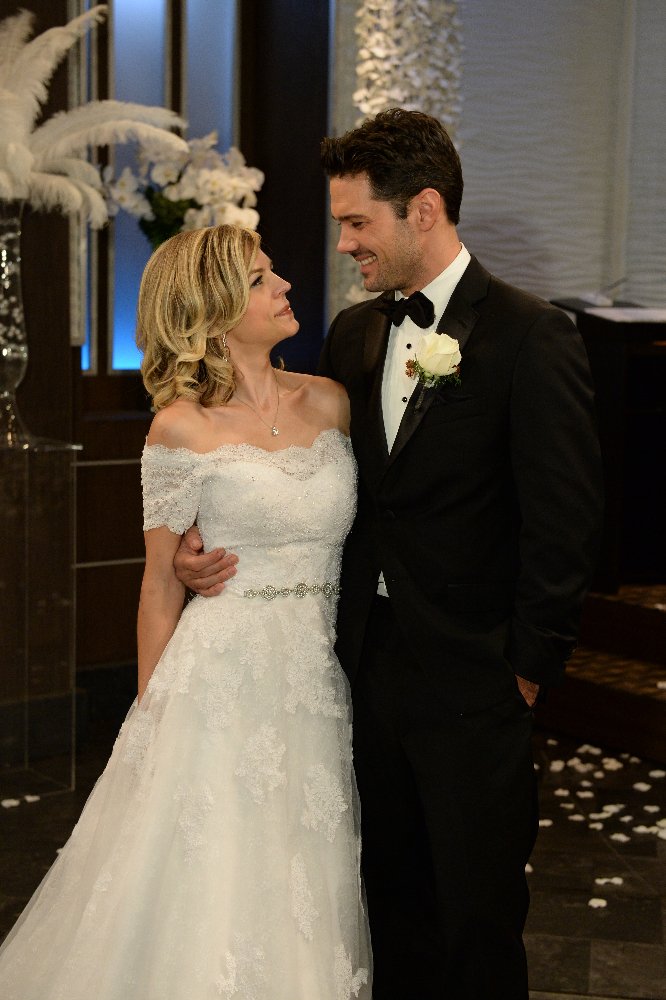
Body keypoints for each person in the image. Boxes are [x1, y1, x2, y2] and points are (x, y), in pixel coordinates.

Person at [175, 110, 604, 999]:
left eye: (357, 222)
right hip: (359, 670)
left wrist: (526, 669)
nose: (344, 244)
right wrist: (202, 548)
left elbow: (565, 520)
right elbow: (300, 472)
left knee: (479, 917)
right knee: (385, 908)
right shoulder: (353, 334)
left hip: (476, 679)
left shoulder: (532, 335)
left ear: (425, 210)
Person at [0, 224, 371, 1000]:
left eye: (273, 271)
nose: (285, 286)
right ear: (213, 308)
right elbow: (159, 584)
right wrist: (152, 720)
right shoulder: (180, 427)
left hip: (315, 683)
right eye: (261, 279)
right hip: (218, 689)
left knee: (301, 877)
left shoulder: (333, 402)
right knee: (212, 883)